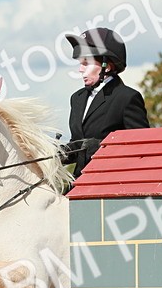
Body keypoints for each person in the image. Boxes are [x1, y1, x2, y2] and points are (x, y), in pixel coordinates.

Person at [61, 27, 150, 177]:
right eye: (80, 63)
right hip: (80, 180)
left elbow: (141, 148)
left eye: (86, 63)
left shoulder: (126, 98)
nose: (80, 70)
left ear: (106, 66)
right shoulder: (77, 98)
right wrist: (56, 153)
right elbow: (78, 145)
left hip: (113, 180)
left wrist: (101, 147)